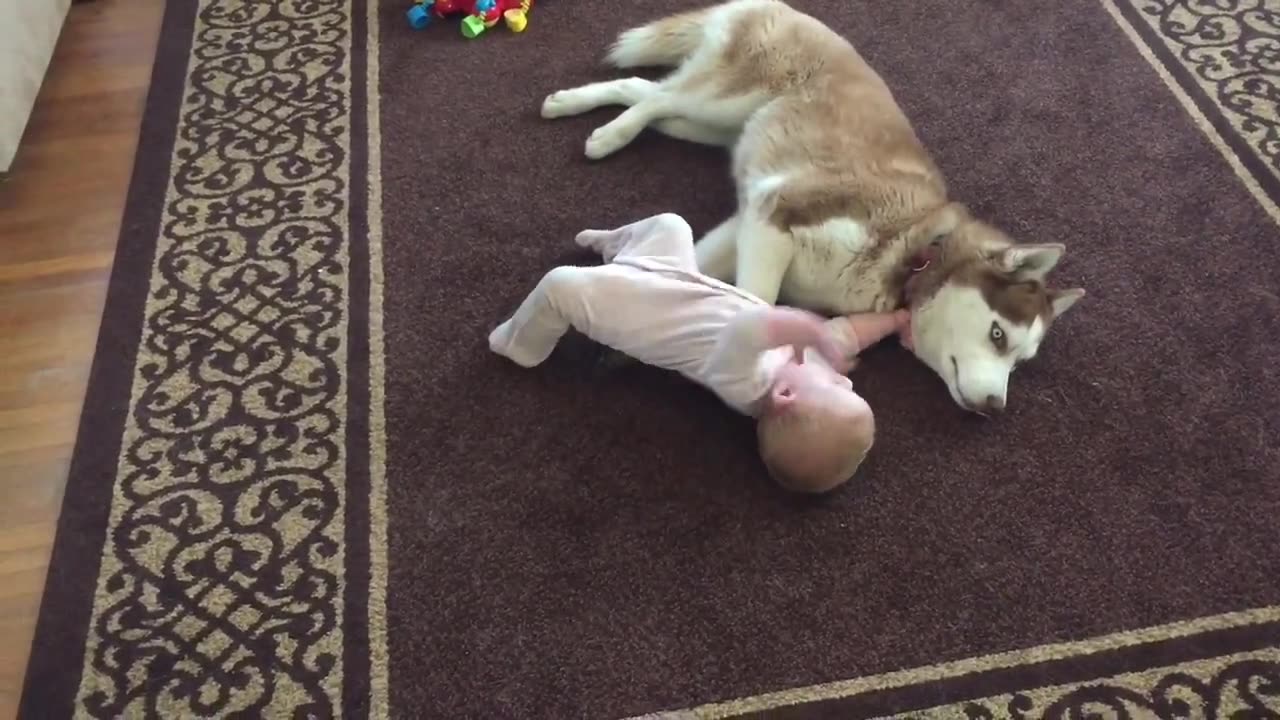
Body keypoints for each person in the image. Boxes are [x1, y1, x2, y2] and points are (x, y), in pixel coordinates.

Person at [488, 213, 908, 493]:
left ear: (785, 397)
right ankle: (616, 247)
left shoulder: (745, 385)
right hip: (681, 284)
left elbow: (748, 330)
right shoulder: (803, 366)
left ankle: (521, 344)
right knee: (672, 227)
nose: (847, 377)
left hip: (640, 318)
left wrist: (807, 330)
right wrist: (896, 321)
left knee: (562, 285)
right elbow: (849, 334)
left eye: (840, 387)